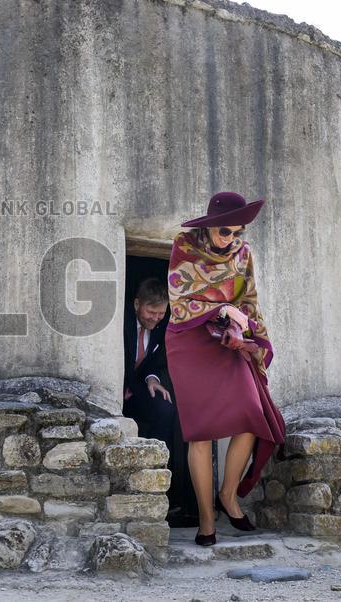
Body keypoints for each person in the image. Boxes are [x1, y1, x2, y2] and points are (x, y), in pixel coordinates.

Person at [165, 191, 286, 547]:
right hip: (189, 341)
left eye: (238, 232)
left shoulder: (243, 254)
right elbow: (179, 299)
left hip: (227, 341)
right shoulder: (184, 245)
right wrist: (221, 309)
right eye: (225, 232)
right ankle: (206, 520)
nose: (231, 239)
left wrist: (260, 339)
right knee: (200, 433)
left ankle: (228, 495)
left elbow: (248, 300)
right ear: (211, 226)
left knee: (252, 415)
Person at [122, 277, 175, 446]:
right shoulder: (121, 322)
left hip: (135, 391)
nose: (155, 318)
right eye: (151, 312)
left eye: (161, 313)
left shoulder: (161, 326)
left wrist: (152, 378)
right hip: (114, 390)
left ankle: (154, 463)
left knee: (165, 409)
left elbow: (155, 361)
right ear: (137, 305)